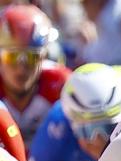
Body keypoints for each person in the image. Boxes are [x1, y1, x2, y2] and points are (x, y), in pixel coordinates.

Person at [0, 5, 71, 141]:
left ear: (44, 57)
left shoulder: (61, 84)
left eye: (32, 57)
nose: (21, 68)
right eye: (12, 57)